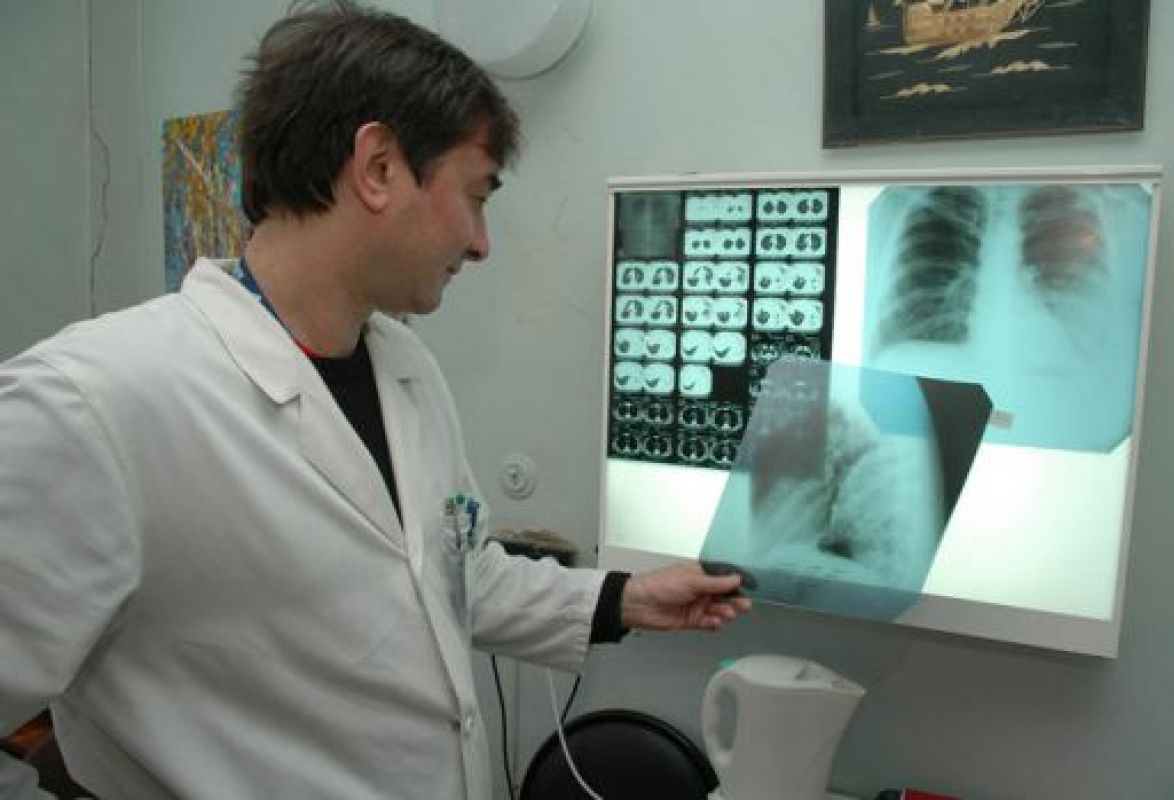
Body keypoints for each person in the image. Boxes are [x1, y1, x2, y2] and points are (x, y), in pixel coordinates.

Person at [0, 2, 750, 798]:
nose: (480, 243)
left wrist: (627, 598)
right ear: (379, 167)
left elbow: (452, 578)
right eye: (476, 196)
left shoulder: (403, 366)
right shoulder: (93, 404)